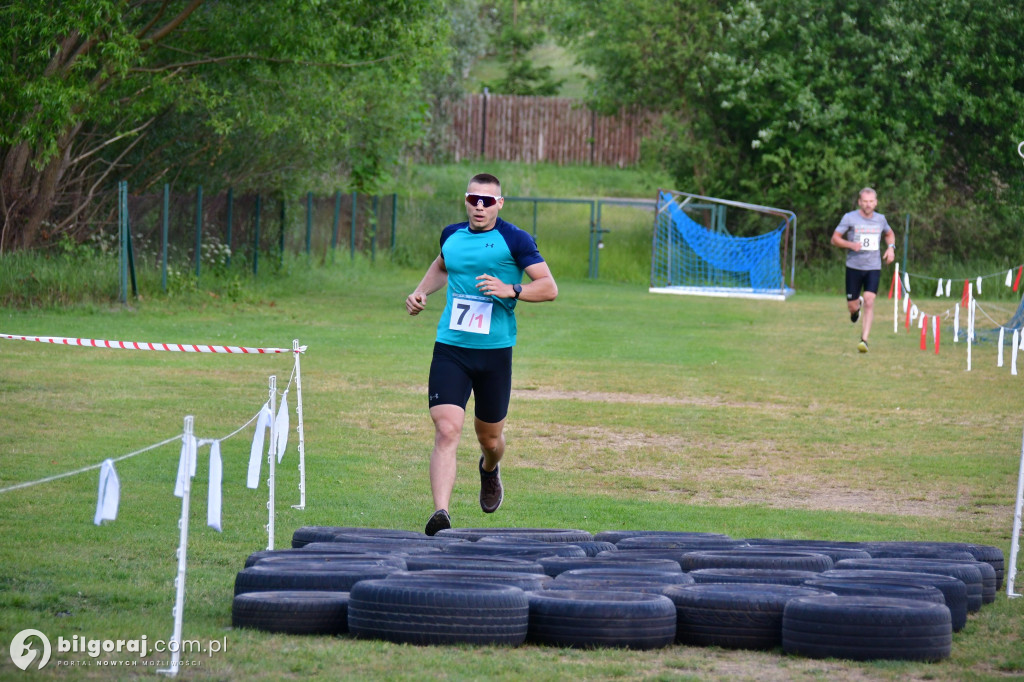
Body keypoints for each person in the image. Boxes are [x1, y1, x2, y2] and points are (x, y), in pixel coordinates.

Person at [406, 173, 558, 535]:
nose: (480, 206)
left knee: (489, 439)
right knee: (446, 429)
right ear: (466, 200)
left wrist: (511, 289)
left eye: (488, 201)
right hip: (451, 348)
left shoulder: (515, 239)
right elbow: (442, 266)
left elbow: (549, 287)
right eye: (474, 199)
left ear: (499, 204)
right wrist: (420, 292)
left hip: (494, 353)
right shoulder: (451, 235)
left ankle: (489, 468)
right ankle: (441, 514)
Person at [831, 187, 895, 353]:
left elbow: (889, 234)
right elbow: (835, 238)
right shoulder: (849, 218)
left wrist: (891, 248)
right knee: (852, 306)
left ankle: (864, 340)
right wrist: (850, 244)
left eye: (871, 201)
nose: (868, 204)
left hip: (873, 267)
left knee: (869, 300)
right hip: (854, 267)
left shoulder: (881, 219)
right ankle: (855, 308)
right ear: (860, 202)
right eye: (865, 201)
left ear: (876, 202)